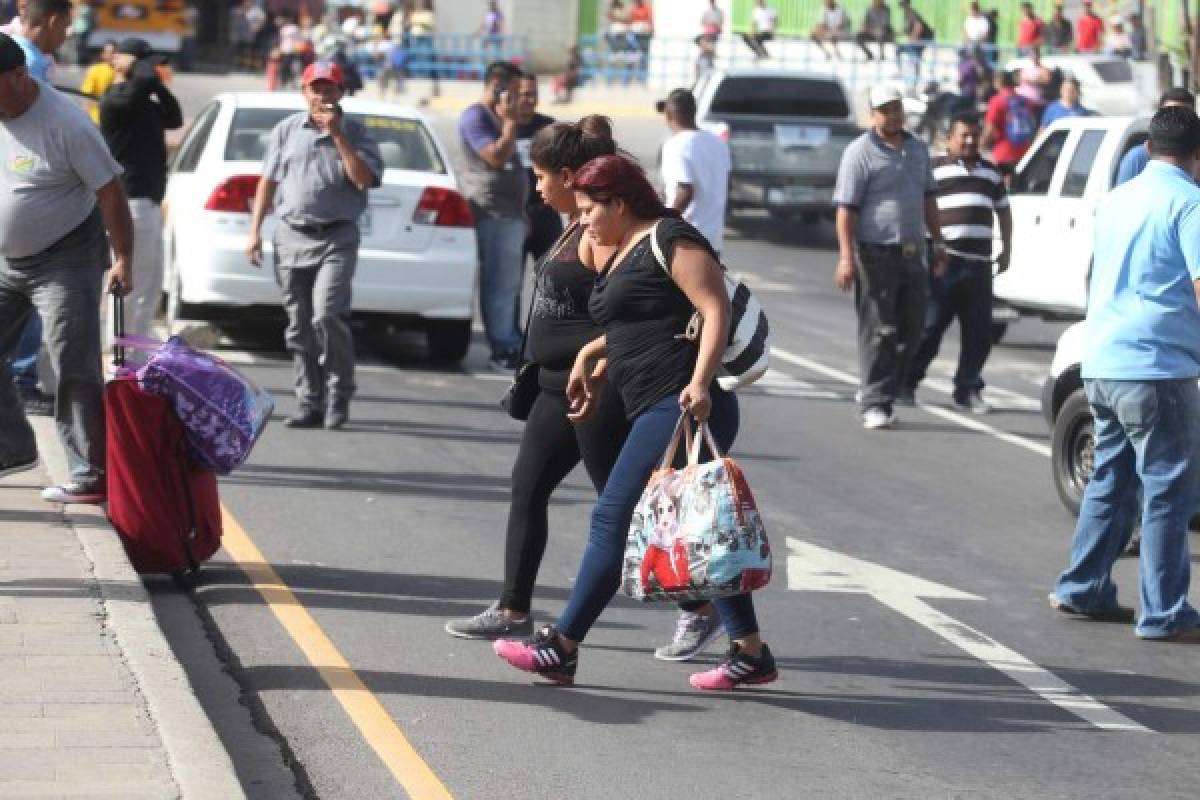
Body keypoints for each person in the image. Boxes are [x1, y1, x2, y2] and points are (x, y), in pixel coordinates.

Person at [493, 153, 778, 690]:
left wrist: (698, 382)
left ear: (618, 203)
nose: (582, 220)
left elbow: (713, 308)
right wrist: (592, 358)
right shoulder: (623, 248)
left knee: (612, 518)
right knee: (701, 531)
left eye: (589, 209)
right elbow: (638, 324)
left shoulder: (673, 238)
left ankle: (563, 646)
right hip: (650, 401)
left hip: (680, 404)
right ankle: (751, 653)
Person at [444, 116, 631, 641]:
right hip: (552, 386)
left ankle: (703, 605)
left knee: (622, 508)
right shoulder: (569, 225)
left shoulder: (602, 231)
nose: (537, 187)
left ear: (569, 176)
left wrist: (594, 366)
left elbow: (624, 312)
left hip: (593, 391)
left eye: (541, 177)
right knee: (527, 488)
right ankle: (512, 609)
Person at [1049, 105, 1200, 643]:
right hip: (1158, 367)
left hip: (1103, 361)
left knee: (1111, 480)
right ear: (1195, 155)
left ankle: (1082, 585)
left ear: (1149, 148)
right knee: (1167, 489)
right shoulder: (1189, 202)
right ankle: (1164, 612)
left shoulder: (1116, 200)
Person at [0, 31, 133, 504]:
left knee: (71, 359)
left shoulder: (67, 124)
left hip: (66, 256)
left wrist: (123, 258)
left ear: (19, 77)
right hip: (7, 260)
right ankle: (12, 448)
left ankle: (89, 473)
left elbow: (111, 192)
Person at [246, 61, 383, 431]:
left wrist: (339, 136)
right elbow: (268, 182)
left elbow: (364, 180)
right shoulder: (286, 130)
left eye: (330, 89)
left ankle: (338, 395)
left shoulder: (356, 131)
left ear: (341, 93)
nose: (323, 95)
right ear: (304, 92)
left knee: (327, 314)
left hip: (336, 237)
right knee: (299, 324)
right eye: (316, 88)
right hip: (291, 234)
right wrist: (255, 230)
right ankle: (309, 400)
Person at [833, 85, 946, 430]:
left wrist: (938, 242)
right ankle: (875, 400)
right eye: (885, 110)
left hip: (913, 252)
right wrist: (845, 257)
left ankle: (878, 384)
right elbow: (846, 208)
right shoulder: (860, 152)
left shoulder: (917, 149)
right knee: (879, 330)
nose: (893, 116)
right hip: (874, 253)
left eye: (897, 109)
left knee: (914, 329)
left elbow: (928, 198)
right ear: (873, 115)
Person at [905, 113, 1011, 414]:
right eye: (963, 135)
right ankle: (907, 383)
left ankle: (967, 388)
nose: (969, 140)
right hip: (943, 262)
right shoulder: (933, 168)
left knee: (979, 332)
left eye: (974, 135)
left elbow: (1003, 211)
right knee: (930, 327)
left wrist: (1007, 250)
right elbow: (918, 207)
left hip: (979, 266)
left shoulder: (990, 173)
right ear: (948, 138)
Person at [5, 0, 67, 419]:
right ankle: (22, 381)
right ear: (53, 21)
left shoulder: (16, 50)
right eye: (64, 28)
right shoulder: (26, 64)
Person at [99, 38, 182, 340]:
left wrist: (154, 82)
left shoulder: (144, 101)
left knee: (150, 283)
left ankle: (138, 350)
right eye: (147, 63)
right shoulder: (117, 99)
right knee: (131, 284)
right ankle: (119, 353)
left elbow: (175, 117)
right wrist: (136, 67)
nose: (154, 70)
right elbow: (144, 79)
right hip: (129, 203)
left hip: (148, 202)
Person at [459, 61, 528, 371]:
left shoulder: (498, 118)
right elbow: (495, 158)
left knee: (510, 284)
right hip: (493, 210)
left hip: (511, 212)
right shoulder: (476, 117)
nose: (517, 98)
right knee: (500, 284)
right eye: (512, 91)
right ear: (497, 85)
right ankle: (503, 348)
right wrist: (511, 123)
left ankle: (510, 340)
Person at [659, 88, 730, 255]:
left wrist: (664, 226)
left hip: (685, 239)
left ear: (668, 115)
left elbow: (685, 191)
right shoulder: (718, 144)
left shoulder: (676, 145)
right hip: (713, 239)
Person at [514, 73, 563, 276]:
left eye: (533, 94)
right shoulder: (503, 127)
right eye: (524, 94)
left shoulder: (548, 127)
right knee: (510, 283)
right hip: (514, 214)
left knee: (553, 275)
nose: (529, 100)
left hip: (545, 212)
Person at [1116, 88, 1195, 186]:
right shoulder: (1137, 158)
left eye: (1184, 116)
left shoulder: (1195, 156)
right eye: (1169, 114)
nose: (1176, 120)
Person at [983, 70, 1035, 175]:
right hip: (1023, 151)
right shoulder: (1024, 100)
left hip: (1003, 152)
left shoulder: (996, 101)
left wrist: (981, 145)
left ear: (999, 82)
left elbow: (990, 128)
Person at [896, 0, 934, 88]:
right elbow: (907, 29)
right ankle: (907, 75)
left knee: (914, 56)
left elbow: (918, 26)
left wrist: (913, 39)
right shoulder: (907, 13)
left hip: (922, 40)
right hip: (920, 40)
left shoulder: (911, 13)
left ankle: (915, 79)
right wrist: (897, 34)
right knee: (902, 51)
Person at [79, 39, 115, 124]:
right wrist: (86, 115)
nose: (112, 55)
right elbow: (86, 95)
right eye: (109, 52)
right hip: (96, 118)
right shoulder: (95, 70)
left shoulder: (122, 71)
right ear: (103, 54)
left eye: (114, 52)